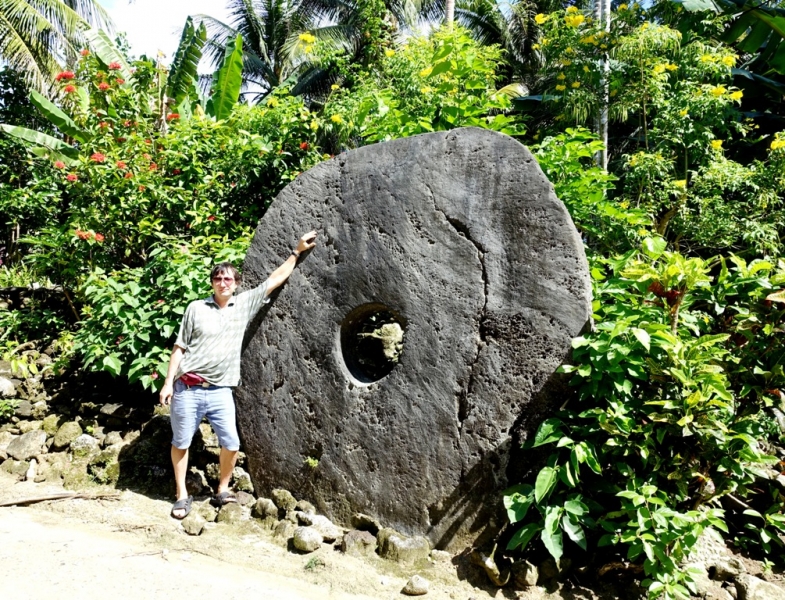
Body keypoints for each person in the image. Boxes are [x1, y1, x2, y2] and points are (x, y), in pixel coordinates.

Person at [159, 230, 318, 519]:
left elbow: (274, 280)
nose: (223, 282)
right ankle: (181, 494)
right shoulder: (196, 308)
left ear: (236, 284)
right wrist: (168, 382)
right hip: (188, 387)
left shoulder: (243, 305)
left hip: (220, 390)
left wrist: (297, 252)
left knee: (231, 443)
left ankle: (222, 488)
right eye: (218, 278)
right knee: (181, 441)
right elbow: (179, 348)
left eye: (228, 278)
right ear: (212, 282)